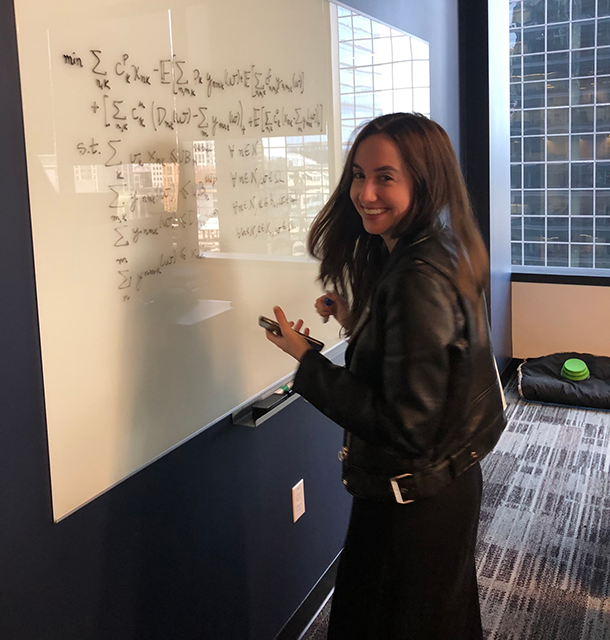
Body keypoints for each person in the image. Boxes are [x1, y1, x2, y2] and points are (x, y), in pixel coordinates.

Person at [264, 112, 507, 640]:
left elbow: (403, 424)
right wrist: (357, 320)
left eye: (384, 177)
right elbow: (431, 361)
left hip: (413, 504)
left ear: (424, 180)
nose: (364, 192)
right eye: (357, 174)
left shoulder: (415, 278)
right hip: (446, 480)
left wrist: (306, 362)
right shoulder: (441, 246)